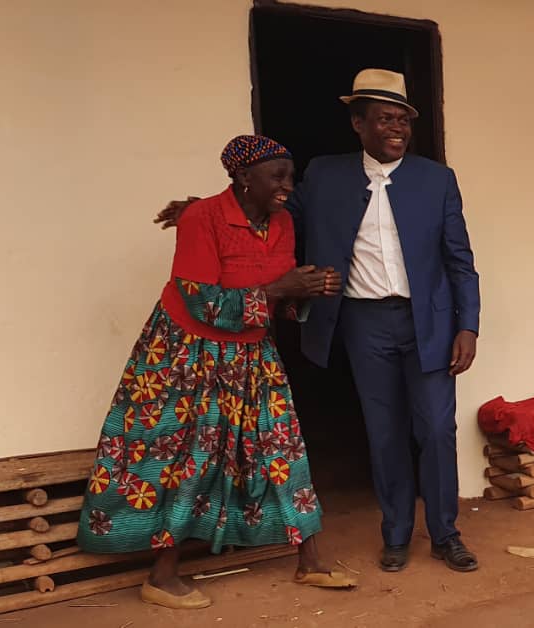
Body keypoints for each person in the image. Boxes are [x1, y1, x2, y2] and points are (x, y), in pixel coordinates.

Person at [156, 69, 481, 573]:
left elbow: (459, 258)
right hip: (363, 321)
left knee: (437, 428)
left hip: (429, 322)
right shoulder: (325, 174)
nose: (396, 128)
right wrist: (203, 209)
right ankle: (395, 535)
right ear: (359, 123)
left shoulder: (437, 179)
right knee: (384, 431)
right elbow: (271, 205)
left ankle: (445, 534)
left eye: (403, 120)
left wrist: (469, 325)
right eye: (385, 119)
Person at [80, 135, 357, 611]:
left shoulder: (283, 222)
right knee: (191, 457)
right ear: (243, 178)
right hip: (189, 355)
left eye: (290, 176)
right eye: (278, 175)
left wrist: (306, 292)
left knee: (282, 449)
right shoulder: (202, 218)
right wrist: (278, 288)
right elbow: (200, 300)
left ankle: (309, 561)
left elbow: (277, 303)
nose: (287, 186)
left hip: (251, 353)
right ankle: (161, 576)